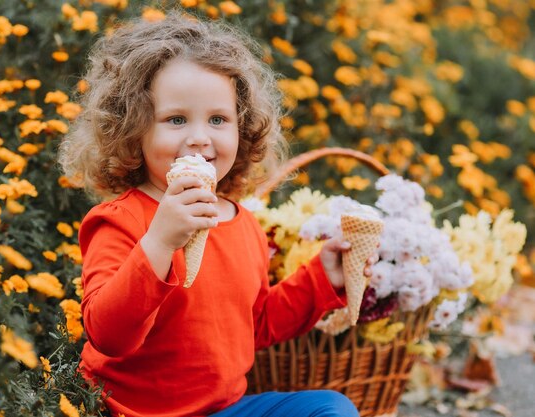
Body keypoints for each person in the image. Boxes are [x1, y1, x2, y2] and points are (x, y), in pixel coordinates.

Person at [59, 12, 374, 417]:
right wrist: (159, 241)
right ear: (133, 129)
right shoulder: (120, 220)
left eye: (218, 120)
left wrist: (322, 278)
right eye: (175, 119)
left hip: (223, 410)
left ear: (242, 129)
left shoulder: (243, 224)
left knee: (331, 408)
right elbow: (109, 335)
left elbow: (255, 325)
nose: (199, 137)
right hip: (130, 411)